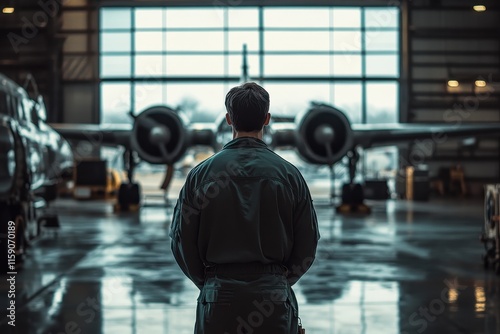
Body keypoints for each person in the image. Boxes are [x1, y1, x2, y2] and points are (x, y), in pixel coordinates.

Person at [170, 82, 319, 334]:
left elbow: (181, 241)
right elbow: (308, 243)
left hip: (217, 297)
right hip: (273, 299)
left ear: (229, 119)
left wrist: (210, 284)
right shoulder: (290, 176)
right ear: (267, 119)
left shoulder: (199, 176)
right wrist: (278, 281)